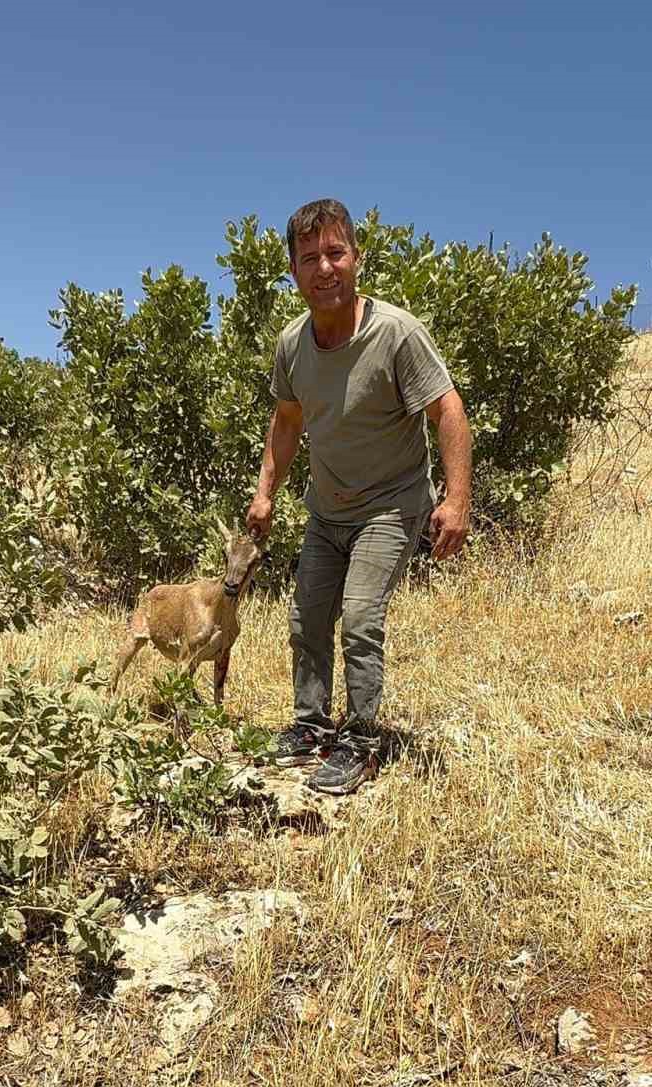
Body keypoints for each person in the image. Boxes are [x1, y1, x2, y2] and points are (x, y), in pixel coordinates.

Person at [246, 198, 472, 795]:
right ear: (293, 271)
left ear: (356, 258)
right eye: (310, 257)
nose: (324, 268)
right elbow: (287, 420)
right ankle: (311, 724)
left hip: (391, 505)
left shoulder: (396, 333)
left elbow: (448, 409)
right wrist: (265, 493)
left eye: (336, 253)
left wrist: (456, 500)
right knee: (307, 619)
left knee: (362, 616)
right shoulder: (292, 344)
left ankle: (362, 740)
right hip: (327, 509)